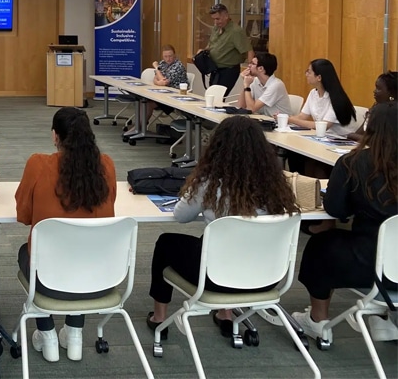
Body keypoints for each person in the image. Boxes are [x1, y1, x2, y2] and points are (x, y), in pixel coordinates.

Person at [146, 116, 298, 339]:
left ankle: (159, 317)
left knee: (167, 242)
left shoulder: (210, 181)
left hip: (216, 278)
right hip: (267, 277)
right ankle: (225, 314)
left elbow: (181, 216)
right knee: (220, 241)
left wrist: (194, 188)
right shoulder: (274, 184)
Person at [14, 107, 117, 363]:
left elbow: (23, 216)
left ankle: (46, 333)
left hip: (49, 279)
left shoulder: (38, 165)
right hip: (99, 278)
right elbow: (109, 211)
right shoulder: (106, 166)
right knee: (82, 248)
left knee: (28, 253)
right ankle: (74, 333)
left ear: (55, 136)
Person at [292, 101, 397, 343]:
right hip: (392, 264)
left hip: (369, 263)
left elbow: (335, 209)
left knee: (322, 245)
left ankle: (318, 321)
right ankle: (384, 318)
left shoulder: (355, 162)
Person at [199, 3, 253, 95]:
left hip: (228, 70)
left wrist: (251, 71)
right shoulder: (216, 28)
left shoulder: (235, 31)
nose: (215, 22)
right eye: (213, 19)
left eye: (218, 19)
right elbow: (212, 44)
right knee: (211, 96)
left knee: (218, 97)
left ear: (226, 16)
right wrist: (202, 51)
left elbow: (249, 51)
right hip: (215, 69)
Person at [236, 52, 292, 117]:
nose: (249, 66)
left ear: (261, 69)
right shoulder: (254, 81)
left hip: (280, 123)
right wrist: (245, 84)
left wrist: (247, 86)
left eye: (252, 64)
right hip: (263, 120)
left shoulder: (276, 85)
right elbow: (241, 107)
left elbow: (251, 109)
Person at [347, 71, 397, 142]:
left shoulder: (392, 113)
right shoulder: (376, 107)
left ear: (391, 92)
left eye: (378, 89)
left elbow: (381, 142)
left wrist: (353, 136)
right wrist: (368, 118)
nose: (374, 91)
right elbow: (360, 133)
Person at [146, 44, 188, 118]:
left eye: (170, 56)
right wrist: (159, 83)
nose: (168, 59)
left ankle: (140, 127)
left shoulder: (178, 66)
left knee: (148, 103)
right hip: (163, 94)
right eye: (165, 56)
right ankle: (139, 127)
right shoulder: (162, 63)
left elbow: (164, 81)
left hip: (175, 97)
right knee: (143, 100)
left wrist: (156, 67)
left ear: (174, 55)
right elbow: (155, 78)